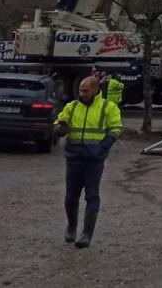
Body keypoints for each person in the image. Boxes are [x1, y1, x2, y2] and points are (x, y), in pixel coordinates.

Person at [55, 75, 122, 248]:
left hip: (94, 160)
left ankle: (87, 233)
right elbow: (58, 125)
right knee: (71, 196)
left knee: (92, 195)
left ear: (95, 90)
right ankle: (71, 226)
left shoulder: (108, 107)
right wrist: (60, 129)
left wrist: (102, 148)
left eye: (86, 91)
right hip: (74, 158)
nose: (82, 94)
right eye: (81, 91)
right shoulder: (72, 106)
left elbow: (115, 129)